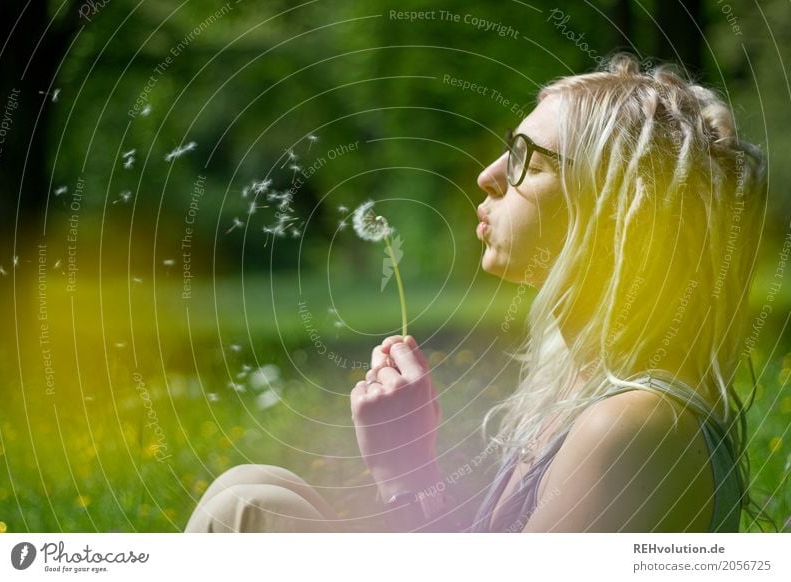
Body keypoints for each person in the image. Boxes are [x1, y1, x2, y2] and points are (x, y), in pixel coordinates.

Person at [185, 52, 767, 533]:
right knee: (256, 490)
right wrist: (413, 470)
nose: (489, 175)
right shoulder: (586, 391)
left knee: (243, 513)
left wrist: (405, 476)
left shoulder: (631, 429)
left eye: (526, 160)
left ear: (616, 212)